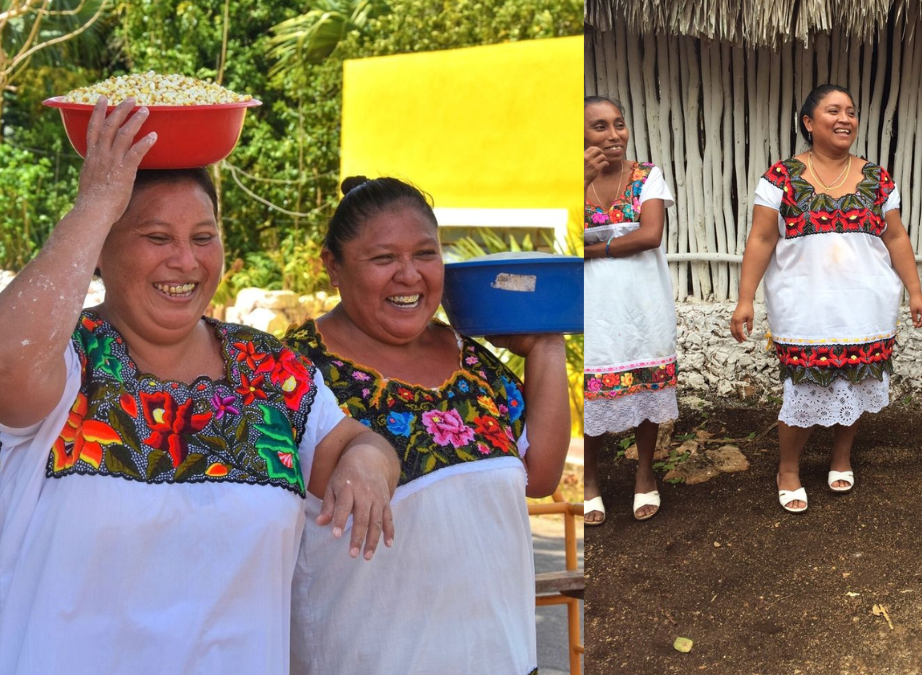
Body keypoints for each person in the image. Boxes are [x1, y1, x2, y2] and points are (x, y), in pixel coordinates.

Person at [0, 99, 400, 675]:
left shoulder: (269, 374)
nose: (185, 262)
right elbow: (6, 367)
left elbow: (360, 445)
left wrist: (367, 463)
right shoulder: (67, 362)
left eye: (203, 237)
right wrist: (96, 203)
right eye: (157, 237)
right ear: (100, 249)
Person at [284, 176, 570, 675]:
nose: (409, 275)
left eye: (425, 254)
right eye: (382, 259)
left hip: (504, 658)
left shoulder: (472, 362)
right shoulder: (289, 372)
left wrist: (547, 344)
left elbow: (540, 474)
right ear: (332, 265)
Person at [730, 84, 922, 513]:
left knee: (856, 382)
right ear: (808, 122)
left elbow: (894, 235)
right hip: (804, 304)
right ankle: (788, 468)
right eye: (833, 111)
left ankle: (841, 457)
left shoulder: (877, 177)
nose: (845, 119)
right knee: (801, 387)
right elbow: (762, 238)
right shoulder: (780, 178)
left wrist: (914, 290)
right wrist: (745, 298)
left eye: (851, 112)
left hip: (866, 301)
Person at [582, 95, 679, 525]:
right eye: (599, 126)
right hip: (590, 307)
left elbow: (650, 235)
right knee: (590, 393)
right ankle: (588, 482)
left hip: (642, 303)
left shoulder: (647, 176)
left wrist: (594, 249)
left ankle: (644, 475)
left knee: (647, 390)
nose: (613, 134)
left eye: (618, 124)